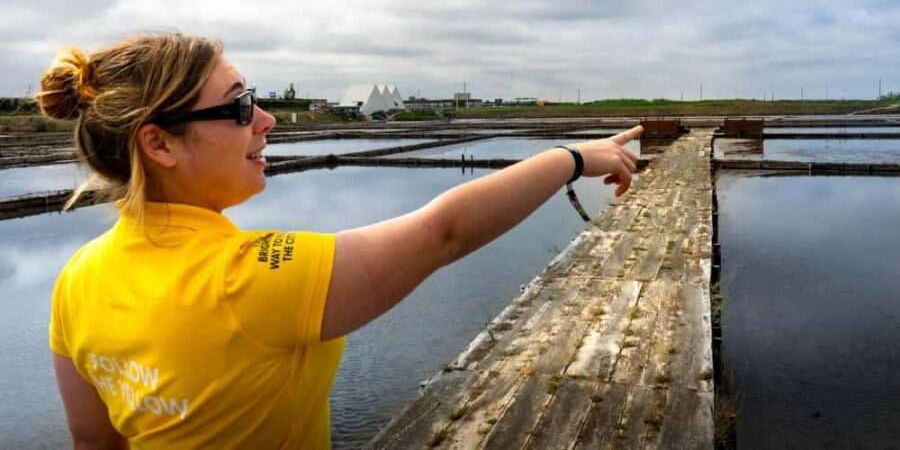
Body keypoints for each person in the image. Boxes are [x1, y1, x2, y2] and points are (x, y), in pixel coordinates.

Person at [40, 33, 642, 449]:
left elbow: (93, 440)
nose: (266, 119)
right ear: (160, 144)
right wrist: (572, 157)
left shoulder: (77, 278)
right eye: (240, 106)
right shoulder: (250, 276)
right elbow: (444, 232)